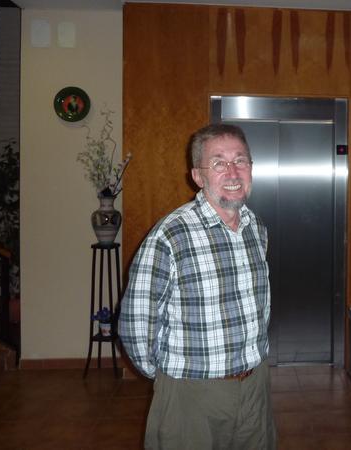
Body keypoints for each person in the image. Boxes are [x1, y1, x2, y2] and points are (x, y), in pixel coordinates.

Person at [119, 123, 276, 450]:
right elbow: (136, 324)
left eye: (240, 160)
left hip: (255, 387)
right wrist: (170, 378)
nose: (232, 172)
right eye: (218, 163)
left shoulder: (256, 228)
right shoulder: (170, 235)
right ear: (197, 176)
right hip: (191, 394)